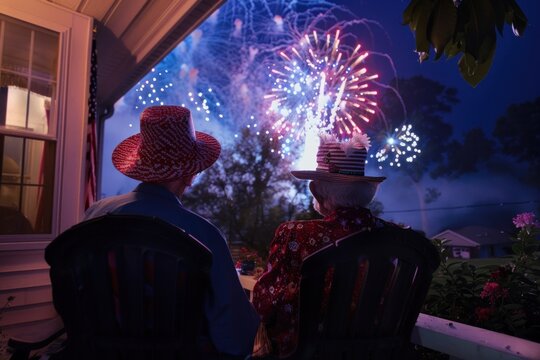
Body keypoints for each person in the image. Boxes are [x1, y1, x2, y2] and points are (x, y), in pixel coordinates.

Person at [85, 105, 260, 357]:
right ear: (190, 175)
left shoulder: (95, 216)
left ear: (140, 166)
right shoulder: (204, 235)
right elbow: (235, 333)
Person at [252, 132, 399, 358]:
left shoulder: (295, 235)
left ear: (316, 192)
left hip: (305, 354)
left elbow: (265, 303)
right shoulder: (395, 238)